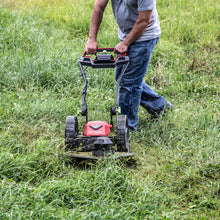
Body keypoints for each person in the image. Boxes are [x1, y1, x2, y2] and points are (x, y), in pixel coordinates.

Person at [85, 0, 173, 131]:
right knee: (124, 77)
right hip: (127, 33)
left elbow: (144, 20)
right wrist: (92, 39)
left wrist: (126, 43)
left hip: (144, 37)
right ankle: (160, 106)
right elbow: (98, 7)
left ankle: (127, 127)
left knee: (129, 83)